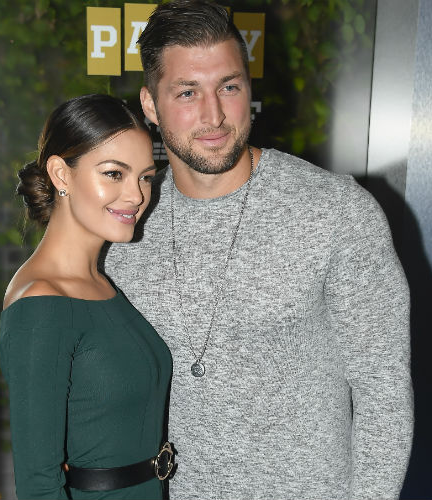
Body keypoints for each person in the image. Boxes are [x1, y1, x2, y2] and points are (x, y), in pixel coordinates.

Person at [103, 1, 414, 499]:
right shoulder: (123, 223)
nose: (214, 115)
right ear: (150, 105)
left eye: (229, 87)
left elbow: (384, 392)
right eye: (187, 92)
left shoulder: (335, 211)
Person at [0, 94, 174, 500]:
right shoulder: (41, 304)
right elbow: (38, 485)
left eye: (145, 177)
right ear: (61, 174)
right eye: (114, 173)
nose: (136, 195)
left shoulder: (99, 285)